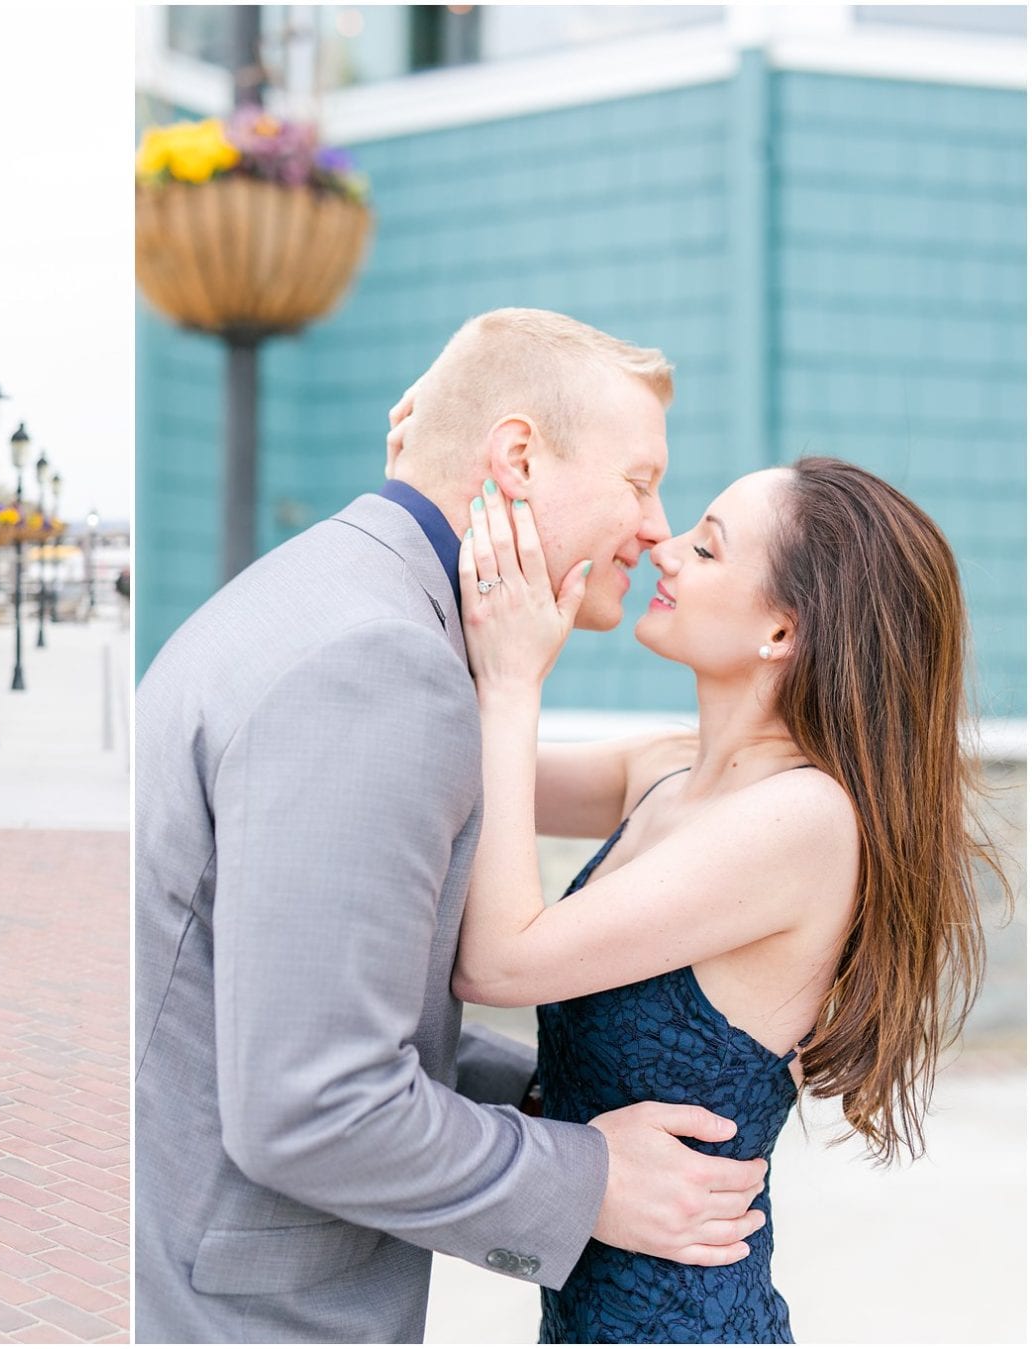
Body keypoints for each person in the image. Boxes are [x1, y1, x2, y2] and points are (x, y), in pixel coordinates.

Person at [135, 309, 768, 1344]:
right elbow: (317, 1104)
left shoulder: (324, 593)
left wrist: (549, 1093)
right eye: (640, 480)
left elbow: (306, 1000)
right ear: (518, 455)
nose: (657, 527)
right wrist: (593, 1177)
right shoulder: (380, 666)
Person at [451, 455, 995, 1342]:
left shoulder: (803, 820)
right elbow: (454, 778)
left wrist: (513, 682)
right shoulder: (661, 766)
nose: (664, 550)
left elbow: (499, 959)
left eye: (705, 549)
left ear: (781, 632)